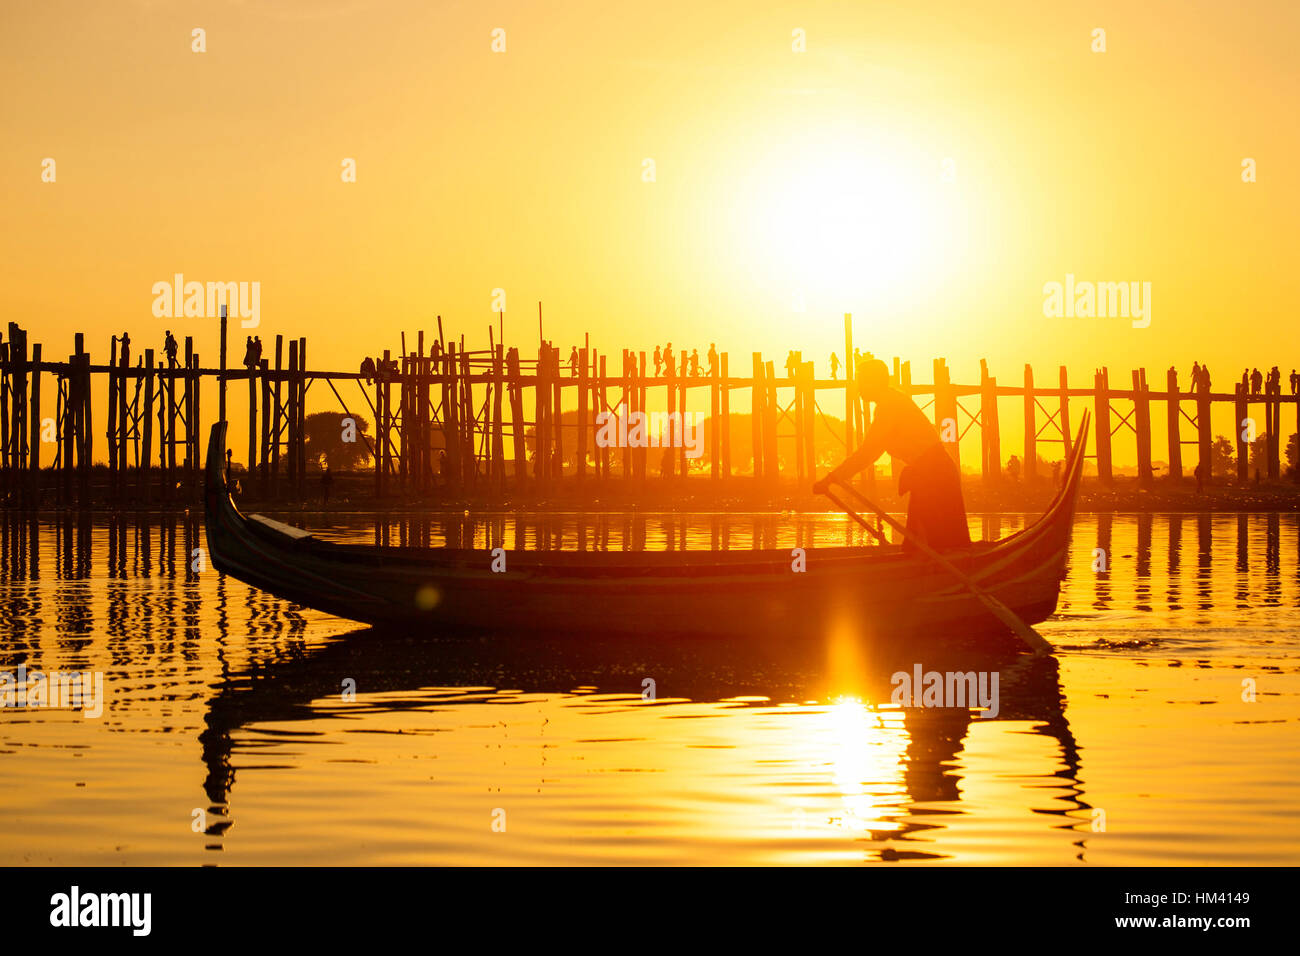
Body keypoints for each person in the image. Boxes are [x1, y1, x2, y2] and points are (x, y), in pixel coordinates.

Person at [813, 358, 970, 554]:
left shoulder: (890, 406)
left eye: (862, 381)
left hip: (935, 477)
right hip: (930, 475)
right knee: (924, 546)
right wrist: (834, 479)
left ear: (875, 382)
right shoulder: (888, 403)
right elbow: (870, 452)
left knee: (937, 547)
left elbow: (867, 454)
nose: (858, 387)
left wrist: (832, 478)